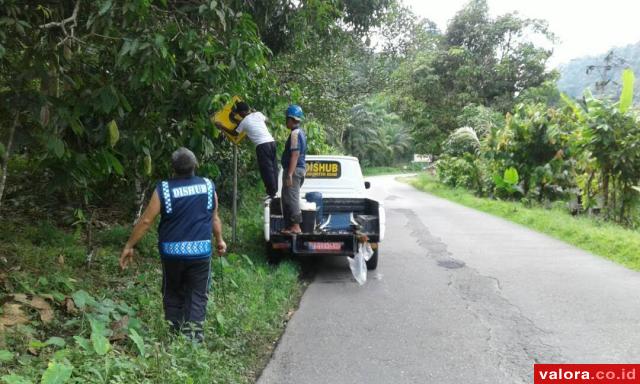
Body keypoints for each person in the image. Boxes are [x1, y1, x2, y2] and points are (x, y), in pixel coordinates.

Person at [119, 147, 226, 343]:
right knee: (197, 295)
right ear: (195, 166)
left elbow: (146, 221)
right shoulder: (208, 186)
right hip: (200, 252)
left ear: (173, 168)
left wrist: (129, 245)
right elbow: (214, 218)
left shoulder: (164, 189)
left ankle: (174, 335)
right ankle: (193, 340)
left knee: (173, 292)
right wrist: (219, 240)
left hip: (172, 253)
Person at [228, 101, 279, 198]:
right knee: (273, 167)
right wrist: (255, 112)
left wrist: (221, 126)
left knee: (266, 169)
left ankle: (271, 193)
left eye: (239, 113)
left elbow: (234, 133)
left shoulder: (244, 122)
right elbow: (267, 120)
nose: (239, 115)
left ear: (242, 112)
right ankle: (274, 191)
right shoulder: (258, 114)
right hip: (272, 142)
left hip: (262, 145)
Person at [280, 104, 307, 234]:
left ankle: (296, 226)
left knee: (292, 197)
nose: (286, 121)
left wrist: (290, 174)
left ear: (291, 119)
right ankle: (290, 226)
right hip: (296, 170)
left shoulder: (295, 134)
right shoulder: (298, 132)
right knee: (286, 197)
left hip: (294, 171)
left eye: (287, 119)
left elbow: (295, 155)